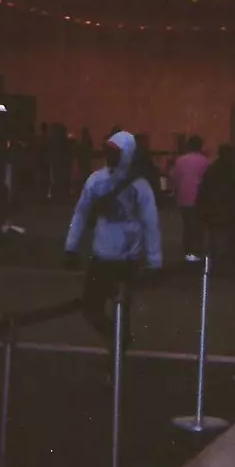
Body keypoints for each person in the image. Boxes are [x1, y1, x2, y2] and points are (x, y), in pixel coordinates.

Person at [64, 131, 162, 354]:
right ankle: (118, 341)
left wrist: (155, 262)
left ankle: (116, 357)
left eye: (113, 152)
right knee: (91, 309)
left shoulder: (139, 187)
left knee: (120, 311)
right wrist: (70, 247)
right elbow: (80, 213)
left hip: (127, 258)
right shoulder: (97, 180)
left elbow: (151, 224)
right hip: (103, 255)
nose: (108, 155)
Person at [198, 145, 235, 262]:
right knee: (233, 231)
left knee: (214, 231)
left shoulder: (212, 169)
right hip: (232, 205)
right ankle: (232, 253)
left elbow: (205, 189)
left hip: (215, 205)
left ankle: (214, 253)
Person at [170, 137, 210, 262]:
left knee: (187, 225)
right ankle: (198, 250)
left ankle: (187, 251)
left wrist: (177, 189)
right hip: (199, 197)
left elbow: (174, 176)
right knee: (198, 226)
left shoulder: (180, 160)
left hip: (184, 196)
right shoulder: (204, 161)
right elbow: (207, 180)